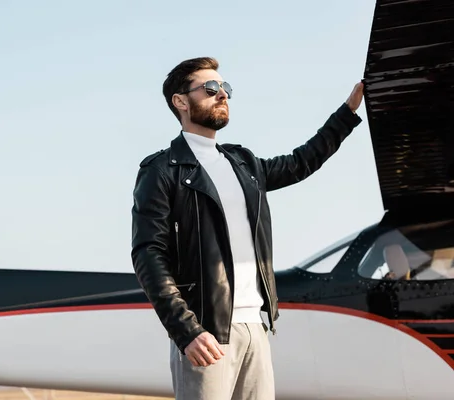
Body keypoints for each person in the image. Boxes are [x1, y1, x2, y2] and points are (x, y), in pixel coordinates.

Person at [130, 56, 364, 399]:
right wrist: (186, 330)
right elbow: (148, 254)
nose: (222, 94)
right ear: (180, 101)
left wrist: (347, 113)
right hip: (206, 333)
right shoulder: (163, 170)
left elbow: (302, 162)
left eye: (225, 87)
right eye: (210, 88)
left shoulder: (244, 163)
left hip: (256, 325)